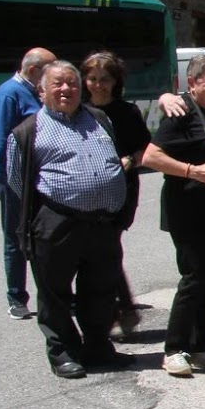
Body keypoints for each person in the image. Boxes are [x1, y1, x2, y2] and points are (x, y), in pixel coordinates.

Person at [6, 61, 130, 377]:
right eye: (58, 84)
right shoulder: (28, 131)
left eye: (72, 83)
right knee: (55, 294)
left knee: (101, 290)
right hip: (57, 224)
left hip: (102, 225)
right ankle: (63, 352)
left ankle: (98, 347)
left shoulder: (99, 119)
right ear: (42, 90)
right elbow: (18, 183)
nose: (66, 89)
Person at [140, 55, 205, 377]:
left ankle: (198, 347)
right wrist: (192, 171)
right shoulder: (180, 111)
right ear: (192, 83)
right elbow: (151, 156)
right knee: (194, 277)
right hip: (188, 209)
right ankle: (174, 349)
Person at [81, 51, 152, 337]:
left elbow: (147, 148)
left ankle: (121, 308)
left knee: (107, 247)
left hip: (120, 191)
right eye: (92, 78)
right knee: (98, 251)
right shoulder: (79, 110)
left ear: (115, 82)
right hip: (86, 193)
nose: (98, 85)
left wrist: (131, 160)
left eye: (104, 79)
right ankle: (117, 308)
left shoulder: (127, 112)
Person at [0, 46, 55, 320]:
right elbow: (1, 143)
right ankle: (16, 297)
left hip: (36, 178)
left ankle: (51, 295)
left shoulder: (32, 92)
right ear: (32, 70)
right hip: (13, 181)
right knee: (16, 238)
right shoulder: (8, 95)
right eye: (48, 71)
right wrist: (9, 182)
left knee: (42, 237)